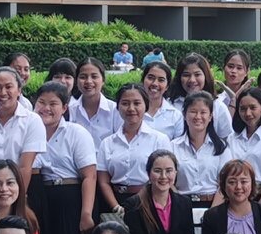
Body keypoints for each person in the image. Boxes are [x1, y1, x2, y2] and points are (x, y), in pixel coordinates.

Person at [33, 80, 98, 234]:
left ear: (64, 108)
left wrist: (86, 213)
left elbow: (90, 176)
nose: (46, 108)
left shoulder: (76, 133)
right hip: (41, 199)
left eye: (53, 104)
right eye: (41, 102)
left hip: (71, 199)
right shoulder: (28, 133)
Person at [0, 66, 45, 201]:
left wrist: (15, 197)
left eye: (8, 87)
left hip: (24, 187)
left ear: (19, 90)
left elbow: (25, 166)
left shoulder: (32, 120)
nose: (3, 92)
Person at [98, 83, 169, 213]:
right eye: (125, 103)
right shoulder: (107, 143)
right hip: (114, 200)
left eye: (137, 103)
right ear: (118, 107)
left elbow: (165, 177)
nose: (131, 108)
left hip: (149, 201)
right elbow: (103, 181)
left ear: (146, 105)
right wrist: (115, 207)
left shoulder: (159, 139)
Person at [169, 91, 228, 206]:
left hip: (215, 205)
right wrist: (180, 205)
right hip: (181, 204)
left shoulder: (222, 147)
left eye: (203, 112)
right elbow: (168, 180)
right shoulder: (173, 147)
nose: (198, 117)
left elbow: (225, 183)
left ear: (210, 116)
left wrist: (213, 211)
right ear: (184, 115)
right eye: (193, 111)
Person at [171, 53, 235, 138]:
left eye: (197, 74)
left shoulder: (217, 106)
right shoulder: (171, 105)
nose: (192, 80)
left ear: (206, 76)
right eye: (186, 75)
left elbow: (227, 138)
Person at [70, 58, 121, 142]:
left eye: (94, 77)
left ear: (103, 80)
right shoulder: (70, 110)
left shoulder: (115, 110)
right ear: (76, 81)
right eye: (83, 77)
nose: (88, 81)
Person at [140, 59, 181, 138]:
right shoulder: (132, 111)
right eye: (150, 78)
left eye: (161, 80)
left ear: (167, 86)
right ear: (143, 80)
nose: (155, 83)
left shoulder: (175, 116)